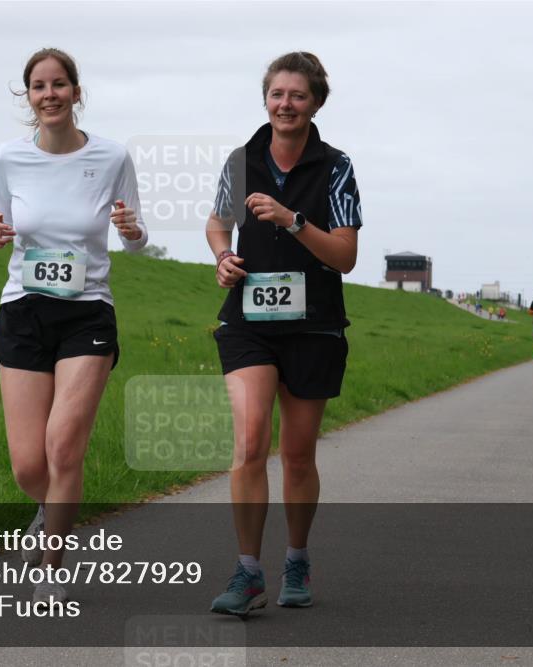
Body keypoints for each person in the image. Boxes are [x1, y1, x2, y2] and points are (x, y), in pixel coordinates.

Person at [0, 48, 147, 603]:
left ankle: (53, 564)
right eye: (38, 86)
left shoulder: (111, 156)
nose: (49, 94)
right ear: (28, 96)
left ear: (77, 92)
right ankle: (49, 508)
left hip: (88, 312)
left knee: (63, 448)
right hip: (24, 310)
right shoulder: (8, 157)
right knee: (30, 466)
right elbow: (1, 224)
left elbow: (137, 238)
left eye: (59, 84)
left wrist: (131, 228)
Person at [205, 51, 361, 615]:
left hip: (313, 326)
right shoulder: (241, 160)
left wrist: (292, 220)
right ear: (265, 99)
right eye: (277, 94)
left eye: (297, 95)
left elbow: (345, 256)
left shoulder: (336, 167)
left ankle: (297, 557)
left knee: (296, 455)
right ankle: (248, 572)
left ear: (315, 102)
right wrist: (223, 255)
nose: (285, 104)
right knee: (250, 442)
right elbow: (218, 220)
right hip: (248, 323)